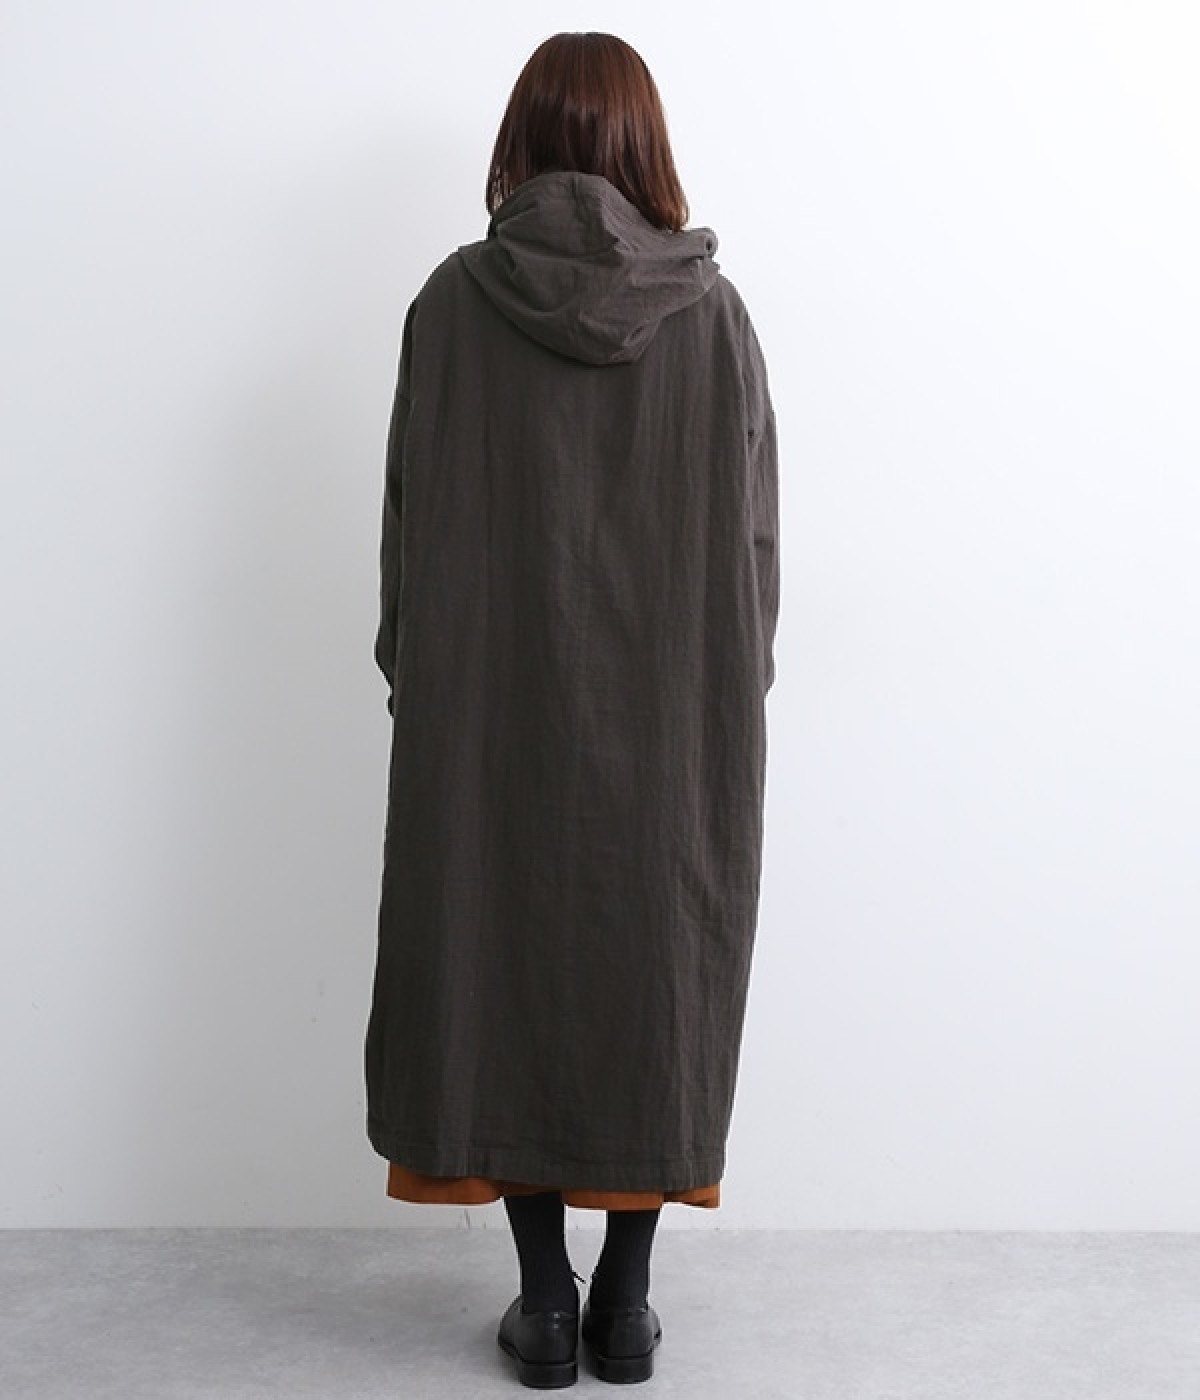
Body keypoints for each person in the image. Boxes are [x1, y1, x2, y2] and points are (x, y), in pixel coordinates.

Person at [364, 30, 780, 1389]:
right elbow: (756, 553)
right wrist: (728, 699)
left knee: (505, 965)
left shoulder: (451, 306)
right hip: (673, 726)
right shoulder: (716, 320)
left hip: (489, 724)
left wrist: (418, 678)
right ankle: (629, 1303)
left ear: (523, 144)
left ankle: (546, 1303)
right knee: (654, 974)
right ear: (644, 148)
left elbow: (410, 528)